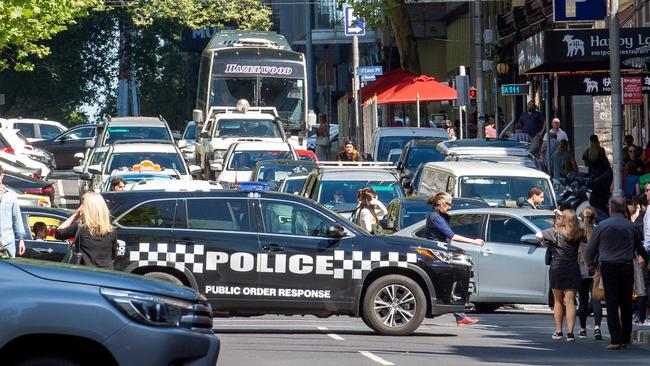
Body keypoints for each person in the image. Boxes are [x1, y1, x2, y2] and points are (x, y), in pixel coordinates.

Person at [585, 196, 649, 349]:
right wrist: (647, 260)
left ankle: (615, 339)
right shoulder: (630, 226)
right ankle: (626, 337)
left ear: (610, 209)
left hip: (608, 267)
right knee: (626, 302)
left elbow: (590, 249)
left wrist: (590, 262)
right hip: (626, 266)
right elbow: (639, 246)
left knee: (612, 303)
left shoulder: (602, 226)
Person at [423, 192, 484, 326]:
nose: (450, 207)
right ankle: (459, 316)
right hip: (437, 255)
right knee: (448, 282)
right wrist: (474, 241)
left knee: (445, 283)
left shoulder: (438, 216)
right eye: (449, 204)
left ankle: (459, 316)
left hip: (439, 254)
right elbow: (452, 236)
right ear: (441, 204)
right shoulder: (436, 218)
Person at [536, 209, 583, 341]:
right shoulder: (578, 233)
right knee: (570, 301)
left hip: (557, 267)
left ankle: (558, 331)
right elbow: (587, 228)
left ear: (563, 219)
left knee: (557, 301)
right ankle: (570, 333)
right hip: (572, 267)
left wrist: (544, 243)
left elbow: (538, 234)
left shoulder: (555, 232)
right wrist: (570, 218)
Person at [55, 192, 118, 269]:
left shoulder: (80, 228)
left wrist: (75, 215)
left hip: (85, 273)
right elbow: (114, 254)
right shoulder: (111, 230)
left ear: (86, 209)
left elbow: (58, 233)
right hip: (106, 274)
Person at [577, 207, 603, 340]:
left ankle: (582, 329)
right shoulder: (597, 231)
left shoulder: (578, 233)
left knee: (582, 299)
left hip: (581, 269)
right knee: (596, 298)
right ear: (594, 217)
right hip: (596, 269)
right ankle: (597, 328)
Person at [0, 166, 26, 258]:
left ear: (2, 175)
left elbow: (16, 217)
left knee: (10, 270)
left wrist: (21, 239)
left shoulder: (11, 194)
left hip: (8, 241)